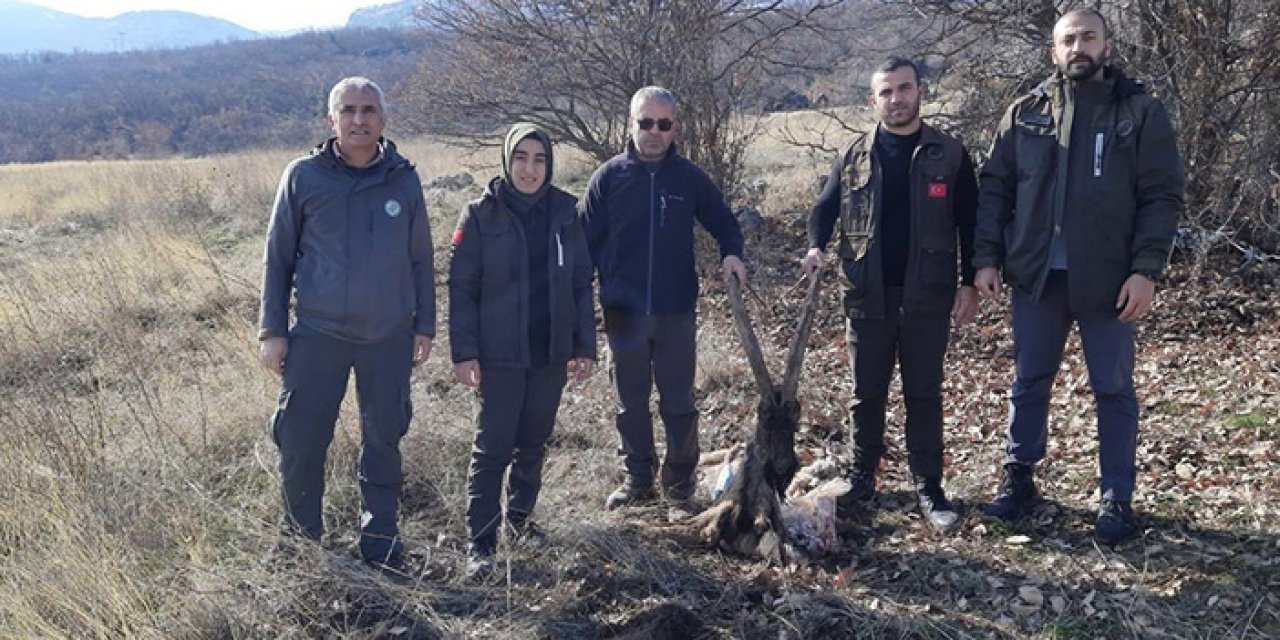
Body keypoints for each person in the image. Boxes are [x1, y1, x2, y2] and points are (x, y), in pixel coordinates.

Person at [973, 9, 1184, 545]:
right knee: (1030, 381)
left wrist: (1146, 270)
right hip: (1037, 276)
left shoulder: (1138, 112)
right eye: (1068, 39)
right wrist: (986, 259)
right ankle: (1019, 478)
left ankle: (1116, 496)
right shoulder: (1025, 113)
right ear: (1053, 51)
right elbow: (995, 189)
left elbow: (1161, 195)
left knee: (1112, 389)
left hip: (1109, 280)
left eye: (1088, 36)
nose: (1078, 46)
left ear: (1106, 43)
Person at [258, 77, 435, 575]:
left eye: (369, 110)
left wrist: (425, 326)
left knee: (383, 438)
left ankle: (380, 542)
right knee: (301, 438)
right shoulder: (303, 177)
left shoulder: (403, 178)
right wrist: (272, 330)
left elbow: (421, 258)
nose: (360, 119)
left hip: (388, 334)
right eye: (349, 110)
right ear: (330, 120)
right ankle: (299, 542)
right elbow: (277, 258)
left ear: (383, 119)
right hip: (319, 332)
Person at [802, 57, 978, 532]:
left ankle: (929, 485)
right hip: (867, 294)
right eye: (886, 92)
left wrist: (971, 281)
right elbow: (824, 209)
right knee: (867, 394)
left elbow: (971, 221)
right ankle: (863, 478)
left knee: (923, 392)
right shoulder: (853, 154)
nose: (896, 99)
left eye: (904, 89)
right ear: (873, 100)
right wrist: (816, 247)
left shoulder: (950, 153)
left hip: (928, 294)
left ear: (921, 91)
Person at [580, 86, 748, 510]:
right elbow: (582, 240)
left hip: (675, 310)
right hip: (623, 312)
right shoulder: (608, 177)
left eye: (663, 124)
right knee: (630, 402)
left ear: (675, 128)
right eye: (645, 122)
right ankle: (637, 481)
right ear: (630, 123)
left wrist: (732, 254)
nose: (654, 132)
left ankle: (678, 487)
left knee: (678, 402)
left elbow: (724, 222)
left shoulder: (688, 178)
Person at [448, 123, 596, 578]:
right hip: (499, 356)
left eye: (539, 160)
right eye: (521, 158)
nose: (530, 169)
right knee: (493, 449)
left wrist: (583, 346)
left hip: (548, 353)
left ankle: (520, 521)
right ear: (507, 160)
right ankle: (482, 542)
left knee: (533, 445)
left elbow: (579, 285)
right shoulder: (479, 216)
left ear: (549, 164)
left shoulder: (566, 214)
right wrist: (464, 352)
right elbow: (461, 289)